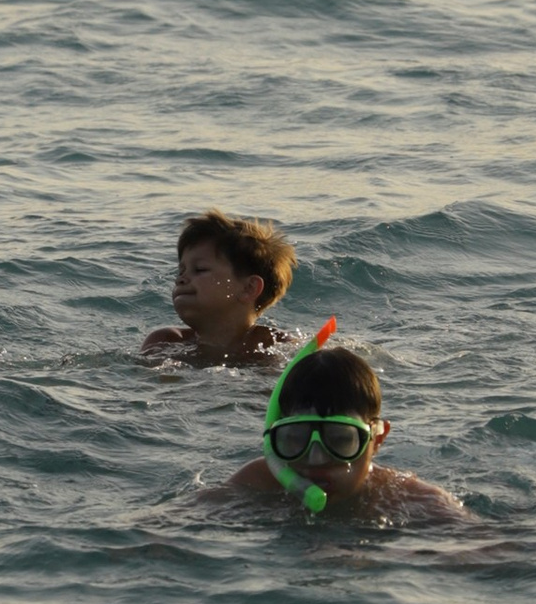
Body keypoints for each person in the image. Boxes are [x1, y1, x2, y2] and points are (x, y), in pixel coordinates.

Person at [205, 322, 467, 527]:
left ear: (377, 439)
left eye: (340, 440)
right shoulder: (259, 482)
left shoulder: (406, 500)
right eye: (296, 438)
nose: (316, 459)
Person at [142, 209, 296, 366]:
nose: (181, 279)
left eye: (200, 269)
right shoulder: (164, 342)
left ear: (249, 288)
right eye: (181, 271)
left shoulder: (275, 345)